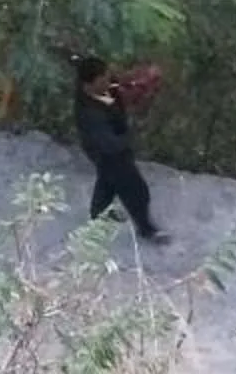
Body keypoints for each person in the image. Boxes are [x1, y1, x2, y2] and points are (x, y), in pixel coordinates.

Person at [70, 54, 166, 244]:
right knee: (136, 190)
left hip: (111, 145)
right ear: (89, 84)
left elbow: (118, 81)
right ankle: (146, 229)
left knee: (107, 182)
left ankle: (98, 216)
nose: (109, 82)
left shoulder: (101, 86)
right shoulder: (90, 115)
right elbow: (109, 144)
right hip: (107, 152)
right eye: (103, 80)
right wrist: (133, 134)